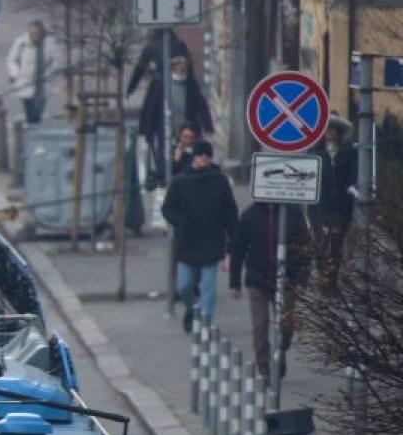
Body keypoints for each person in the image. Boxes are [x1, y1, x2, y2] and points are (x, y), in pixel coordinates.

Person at [160, 139, 237, 332]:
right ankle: (192, 309)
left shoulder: (220, 182)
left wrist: (230, 246)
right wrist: (181, 222)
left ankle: (205, 324)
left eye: (207, 155)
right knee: (184, 285)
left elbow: (230, 214)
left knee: (208, 288)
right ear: (194, 157)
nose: (203, 158)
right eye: (200, 155)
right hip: (187, 242)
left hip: (212, 241)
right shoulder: (180, 181)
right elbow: (168, 208)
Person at [227, 202, 309, 380]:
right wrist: (235, 283)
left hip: (286, 278)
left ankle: (280, 352)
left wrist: (303, 278)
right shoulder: (250, 215)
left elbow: (304, 246)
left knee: (285, 325)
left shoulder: (293, 212)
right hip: (258, 280)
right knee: (259, 326)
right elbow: (238, 248)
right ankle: (263, 367)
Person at [131, 48, 213, 188]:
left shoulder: (190, 85)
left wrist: (207, 124)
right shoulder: (161, 86)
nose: (180, 72)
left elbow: (201, 105)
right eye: (177, 69)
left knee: (187, 154)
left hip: (187, 129)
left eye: (183, 69)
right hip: (165, 129)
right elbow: (151, 107)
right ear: (172, 69)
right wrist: (146, 130)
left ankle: (186, 178)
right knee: (165, 155)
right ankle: (166, 178)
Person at [312, 114, 358, 273]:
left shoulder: (348, 152)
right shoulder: (317, 152)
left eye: (335, 129)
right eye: (328, 129)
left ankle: (332, 275)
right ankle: (320, 273)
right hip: (320, 205)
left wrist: (352, 188)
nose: (331, 132)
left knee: (337, 242)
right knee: (320, 239)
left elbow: (354, 174)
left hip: (341, 206)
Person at [4, 19, 51, 125]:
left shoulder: (49, 44)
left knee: (39, 110)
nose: (35, 36)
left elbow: (55, 61)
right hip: (25, 82)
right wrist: (14, 74)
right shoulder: (21, 42)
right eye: (32, 33)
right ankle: (32, 126)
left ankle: (35, 124)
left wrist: (49, 73)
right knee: (30, 109)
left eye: (37, 33)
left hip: (42, 84)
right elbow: (12, 60)